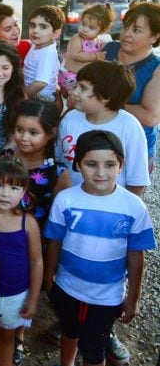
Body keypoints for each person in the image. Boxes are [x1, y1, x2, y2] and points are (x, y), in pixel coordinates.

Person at [44, 130, 156, 366]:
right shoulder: (65, 200)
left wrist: (132, 298)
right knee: (69, 331)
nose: (101, 172)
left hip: (107, 297)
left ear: (121, 165)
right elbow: (54, 242)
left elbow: (136, 255)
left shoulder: (133, 207)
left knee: (95, 349)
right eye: (91, 164)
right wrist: (48, 279)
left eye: (109, 164)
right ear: (77, 165)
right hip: (66, 287)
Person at [0, 158, 43, 366]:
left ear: (23, 190)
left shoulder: (28, 222)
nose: (6, 193)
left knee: (7, 337)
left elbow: (36, 262)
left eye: (14, 187)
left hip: (16, 295)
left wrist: (33, 299)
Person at [58, 61, 149, 195]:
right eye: (76, 85)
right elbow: (58, 162)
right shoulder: (69, 119)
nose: (74, 91)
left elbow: (137, 179)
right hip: (70, 203)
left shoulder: (129, 126)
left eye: (82, 88)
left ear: (105, 96)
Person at [103, 2, 160, 168]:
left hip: (133, 150)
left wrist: (106, 100)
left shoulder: (156, 68)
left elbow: (150, 117)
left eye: (136, 30)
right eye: (126, 27)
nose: (126, 34)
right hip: (98, 142)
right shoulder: (107, 49)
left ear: (155, 36)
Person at [3, 100, 71, 227]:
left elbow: (59, 218)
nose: (24, 138)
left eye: (33, 133)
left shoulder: (58, 172)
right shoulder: (3, 159)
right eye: (19, 130)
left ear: (51, 133)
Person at [59, 4, 114, 98]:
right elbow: (76, 55)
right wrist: (96, 56)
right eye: (83, 24)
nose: (85, 29)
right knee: (73, 100)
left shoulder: (97, 41)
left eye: (91, 27)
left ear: (101, 31)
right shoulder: (77, 38)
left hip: (84, 78)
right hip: (72, 77)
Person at [23, 5, 64, 102]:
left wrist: (24, 95)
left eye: (43, 27)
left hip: (41, 99)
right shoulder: (37, 44)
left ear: (55, 34)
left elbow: (41, 83)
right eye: (33, 25)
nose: (35, 30)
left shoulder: (47, 54)